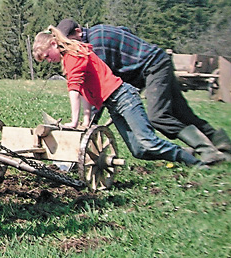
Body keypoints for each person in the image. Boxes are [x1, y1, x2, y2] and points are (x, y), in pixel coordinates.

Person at [56, 18, 229, 165]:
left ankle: (206, 151)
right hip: (147, 67)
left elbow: (99, 86)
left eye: (69, 41)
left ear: (78, 32)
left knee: (159, 117)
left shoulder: (95, 44)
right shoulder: (98, 32)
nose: (67, 47)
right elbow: (125, 31)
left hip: (154, 65)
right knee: (181, 112)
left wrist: (89, 124)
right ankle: (220, 142)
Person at [33, 27, 202, 168]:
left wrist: (74, 122)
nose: (49, 60)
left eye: (47, 56)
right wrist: (85, 121)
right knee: (139, 151)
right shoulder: (70, 57)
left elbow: (74, 90)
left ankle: (193, 161)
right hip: (113, 105)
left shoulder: (73, 55)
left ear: (54, 44)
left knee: (148, 142)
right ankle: (183, 153)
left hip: (123, 98)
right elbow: (85, 92)